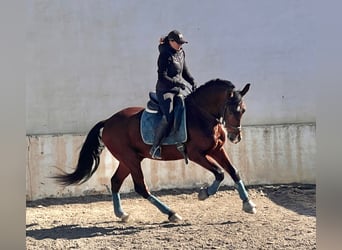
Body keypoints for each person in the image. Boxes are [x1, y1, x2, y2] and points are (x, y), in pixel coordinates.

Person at [150, 29, 197, 159]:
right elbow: (162, 76)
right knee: (168, 116)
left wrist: (192, 80)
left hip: (177, 90)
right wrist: (177, 83)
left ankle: (181, 140)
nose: (180, 45)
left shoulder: (181, 53)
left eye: (182, 43)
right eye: (178, 43)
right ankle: (155, 147)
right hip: (165, 91)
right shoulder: (164, 55)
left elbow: (185, 71)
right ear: (171, 42)